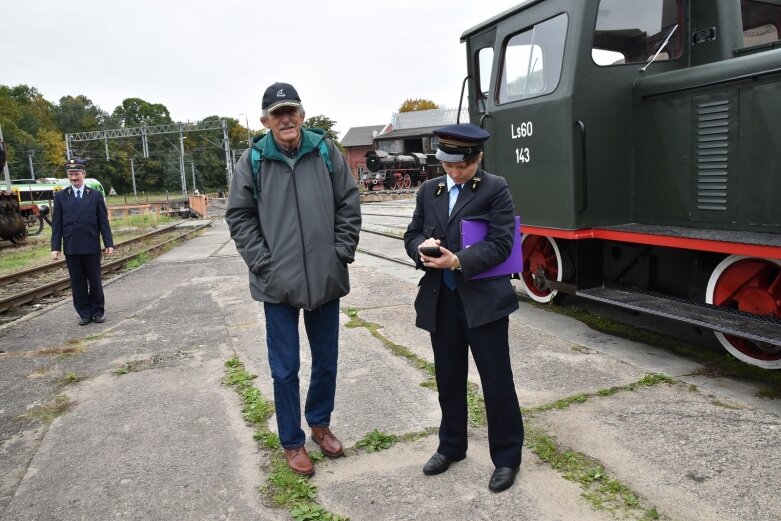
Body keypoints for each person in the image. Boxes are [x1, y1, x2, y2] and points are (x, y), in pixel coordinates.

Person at [226, 82, 361, 477]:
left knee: (326, 361)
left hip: (325, 276)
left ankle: (319, 423)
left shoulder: (325, 151)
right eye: (277, 113)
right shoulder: (253, 159)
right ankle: (292, 441)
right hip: (276, 283)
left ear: (302, 115)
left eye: (292, 111)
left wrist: (341, 252)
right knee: (284, 368)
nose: (286, 119)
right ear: (266, 120)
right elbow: (239, 216)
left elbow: (348, 202)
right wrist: (263, 264)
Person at [403, 123, 524, 493]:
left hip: (483, 301)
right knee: (448, 379)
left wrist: (458, 261)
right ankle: (451, 445)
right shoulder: (430, 190)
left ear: (477, 157)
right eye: (448, 165)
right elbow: (412, 234)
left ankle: (506, 458)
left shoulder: (494, 188)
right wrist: (423, 248)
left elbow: (503, 244)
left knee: (496, 381)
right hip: (442, 301)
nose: (454, 173)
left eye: (461, 166)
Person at [51, 159, 114, 325]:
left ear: (83, 175)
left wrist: (108, 243)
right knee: (77, 283)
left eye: (76, 174)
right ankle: (84, 313)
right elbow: (57, 224)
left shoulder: (95, 195)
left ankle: (98, 311)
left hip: (91, 245)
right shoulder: (60, 196)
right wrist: (55, 247)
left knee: (95, 281)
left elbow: (103, 222)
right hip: (72, 246)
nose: (73, 177)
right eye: (70, 174)